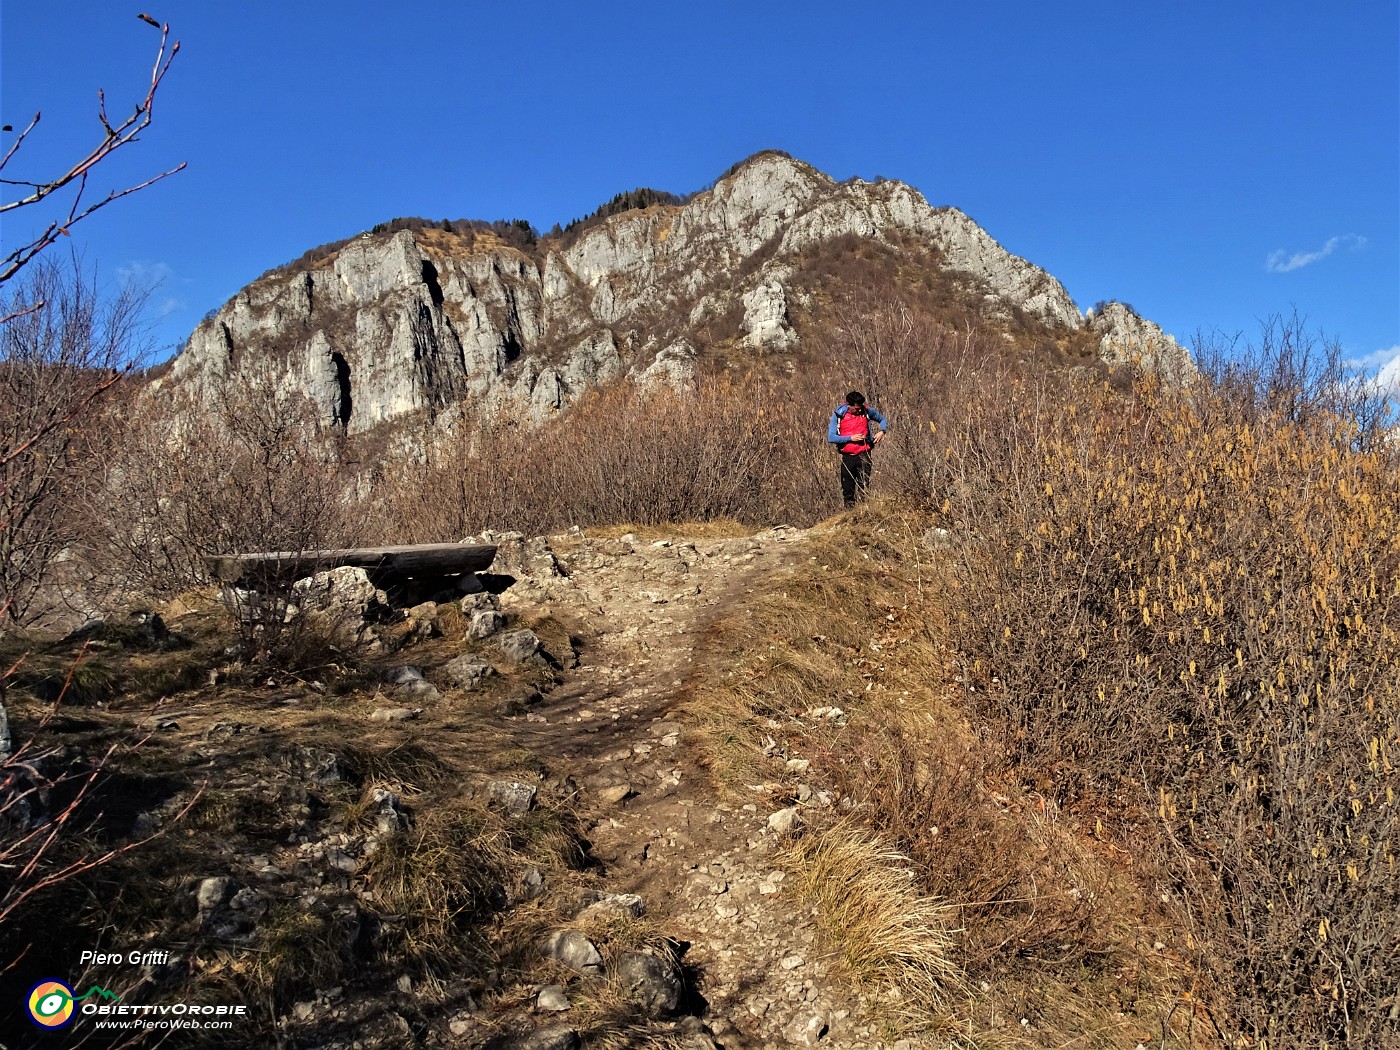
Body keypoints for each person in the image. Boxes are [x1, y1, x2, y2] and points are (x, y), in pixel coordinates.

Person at [827, 391, 888, 507]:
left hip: (864, 454)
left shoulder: (866, 411)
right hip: (848, 456)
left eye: (860, 408)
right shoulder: (838, 415)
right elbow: (831, 437)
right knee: (848, 489)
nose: (859, 410)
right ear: (848, 405)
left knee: (864, 486)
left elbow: (882, 419)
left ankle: (864, 512)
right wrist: (850, 438)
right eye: (856, 408)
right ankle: (850, 515)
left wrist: (882, 431)